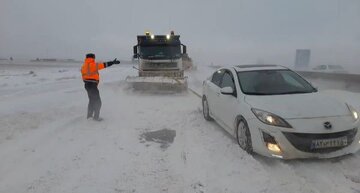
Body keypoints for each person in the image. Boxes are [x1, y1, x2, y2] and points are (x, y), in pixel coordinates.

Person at [81, 53, 120, 121]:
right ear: (92, 58)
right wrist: (112, 62)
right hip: (93, 85)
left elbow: (84, 76)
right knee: (98, 102)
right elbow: (104, 65)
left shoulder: (83, 66)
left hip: (87, 85)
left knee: (91, 100)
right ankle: (96, 117)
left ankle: (89, 116)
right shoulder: (92, 65)